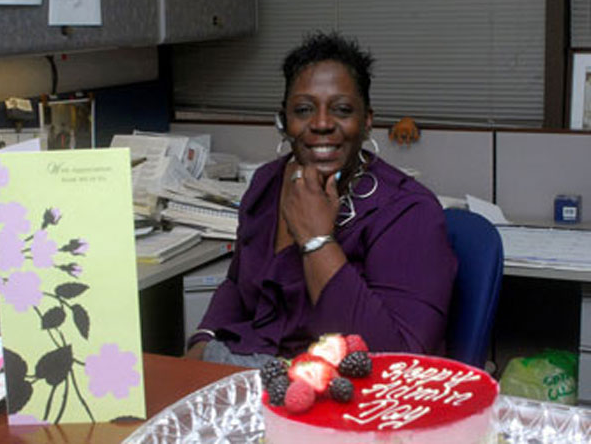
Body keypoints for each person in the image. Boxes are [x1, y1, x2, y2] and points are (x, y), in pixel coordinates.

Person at [185, 31, 457, 367]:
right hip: (253, 372)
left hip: (346, 394)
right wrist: (204, 337)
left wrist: (317, 240)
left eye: (342, 109)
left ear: (367, 120)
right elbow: (236, 283)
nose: (323, 123)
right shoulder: (268, 182)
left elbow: (397, 360)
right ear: (284, 121)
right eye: (303, 110)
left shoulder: (407, 211)